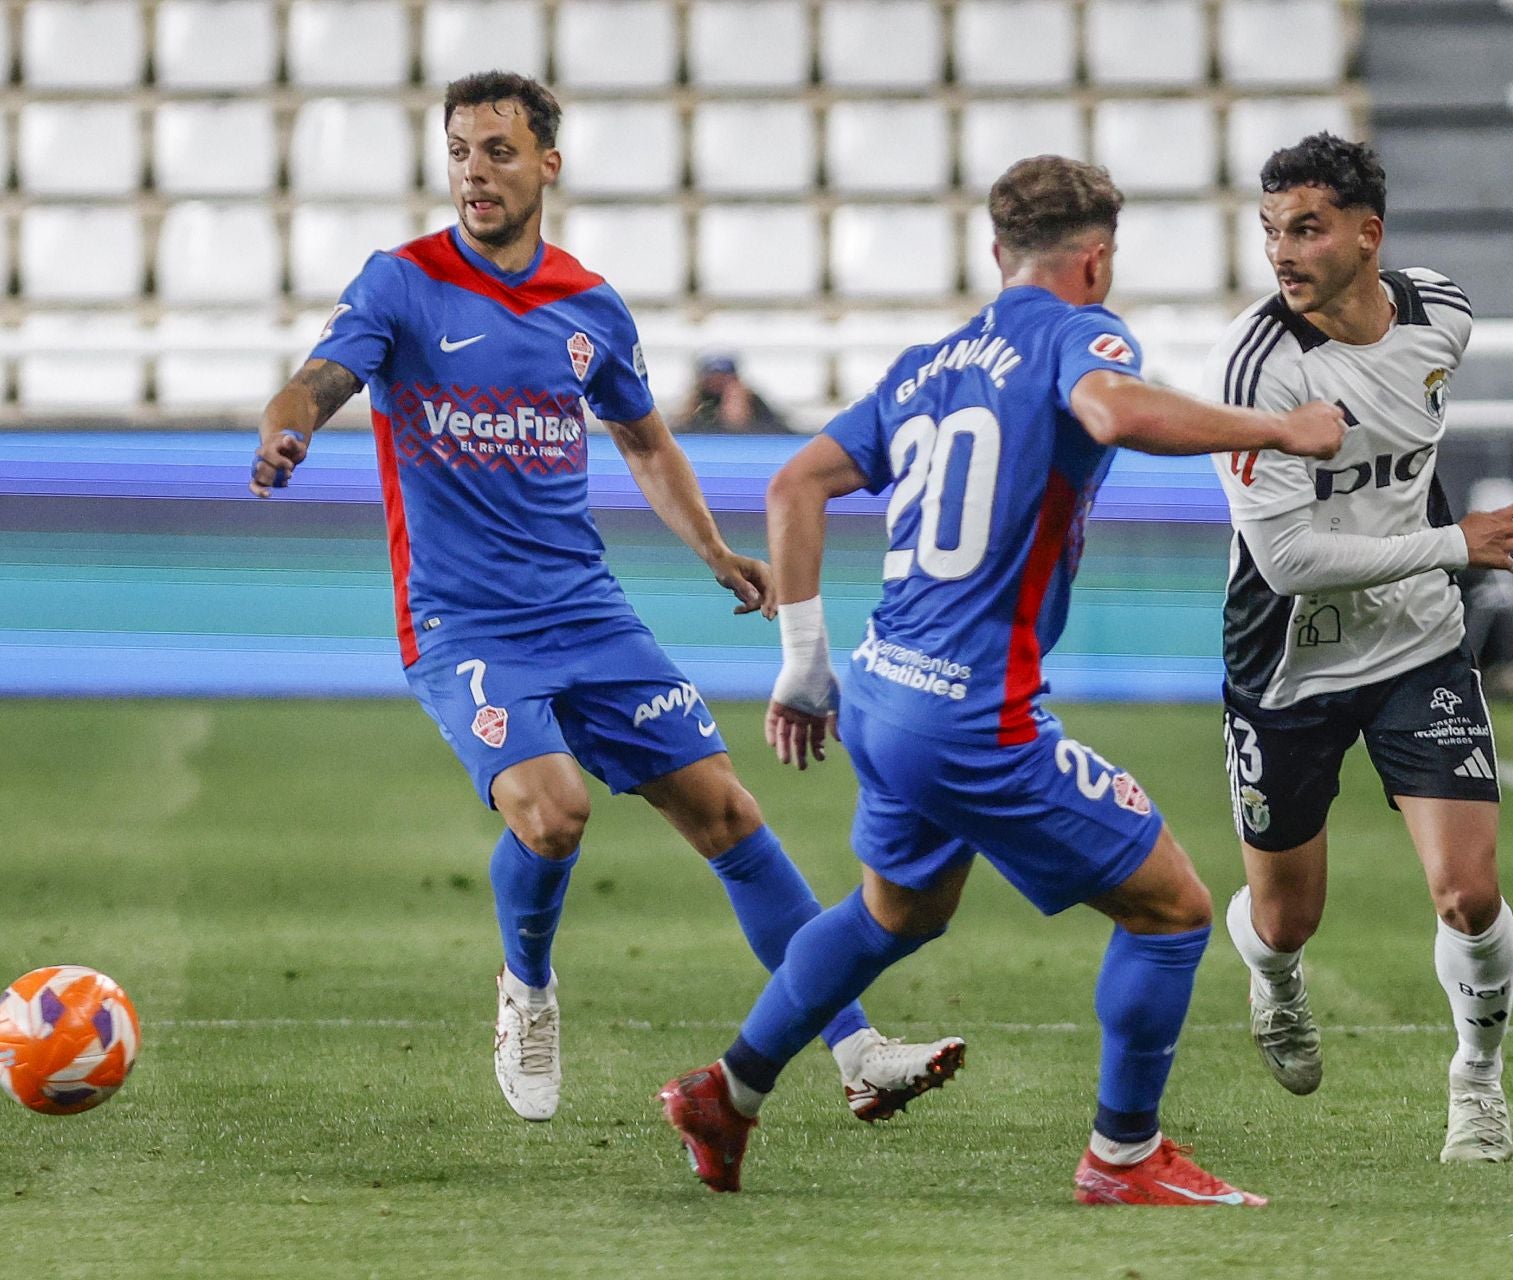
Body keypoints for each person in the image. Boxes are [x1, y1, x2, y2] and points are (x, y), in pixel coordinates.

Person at [248, 70, 959, 1125]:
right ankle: (527, 987)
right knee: (555, 811)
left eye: (497, 150)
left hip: (584, 607)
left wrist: (716, 551)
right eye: (458, 151)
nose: (474, 173)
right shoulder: (402, 283)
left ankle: (856, 1048)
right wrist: (288, 422)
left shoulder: (589, 304)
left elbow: (644, 439)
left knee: (728, 811)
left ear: (547, 163)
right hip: (465, 620)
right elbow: (320, 377)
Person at [659, 154, 1347, 1204]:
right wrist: (1280, 428)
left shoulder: (929, 363)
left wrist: (804, 660)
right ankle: (1125, 1155)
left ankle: (727, 1090)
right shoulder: (1082, 333)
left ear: (995, 252)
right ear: (1098, 257)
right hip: (970, 712)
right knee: (1172, 908)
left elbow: (796, 479)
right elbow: (1113, 411)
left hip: (884, 686)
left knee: (899, 909)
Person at [1203, 133, 1513, 1163]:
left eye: (1304, 227)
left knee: (1468, 891)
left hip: (1415, 647)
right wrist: (1457, 544)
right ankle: (1274, 978)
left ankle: (1477, 1085)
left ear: (1368, 233)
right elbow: (1291, 558)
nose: (1282, 251)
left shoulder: (1444, 313)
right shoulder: (1256, 368)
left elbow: (1416, 421)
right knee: (1287, 914)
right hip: (1287, 665)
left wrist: (1436, 557)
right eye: (1270, 230)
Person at [675, 351, 790, 434]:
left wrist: (740, 417)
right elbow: (680, 431)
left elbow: (778, 431)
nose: (717, 382)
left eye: (723, 376)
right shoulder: (698, 402)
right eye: (712, 377)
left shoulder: (752, 402)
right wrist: (688, 411)